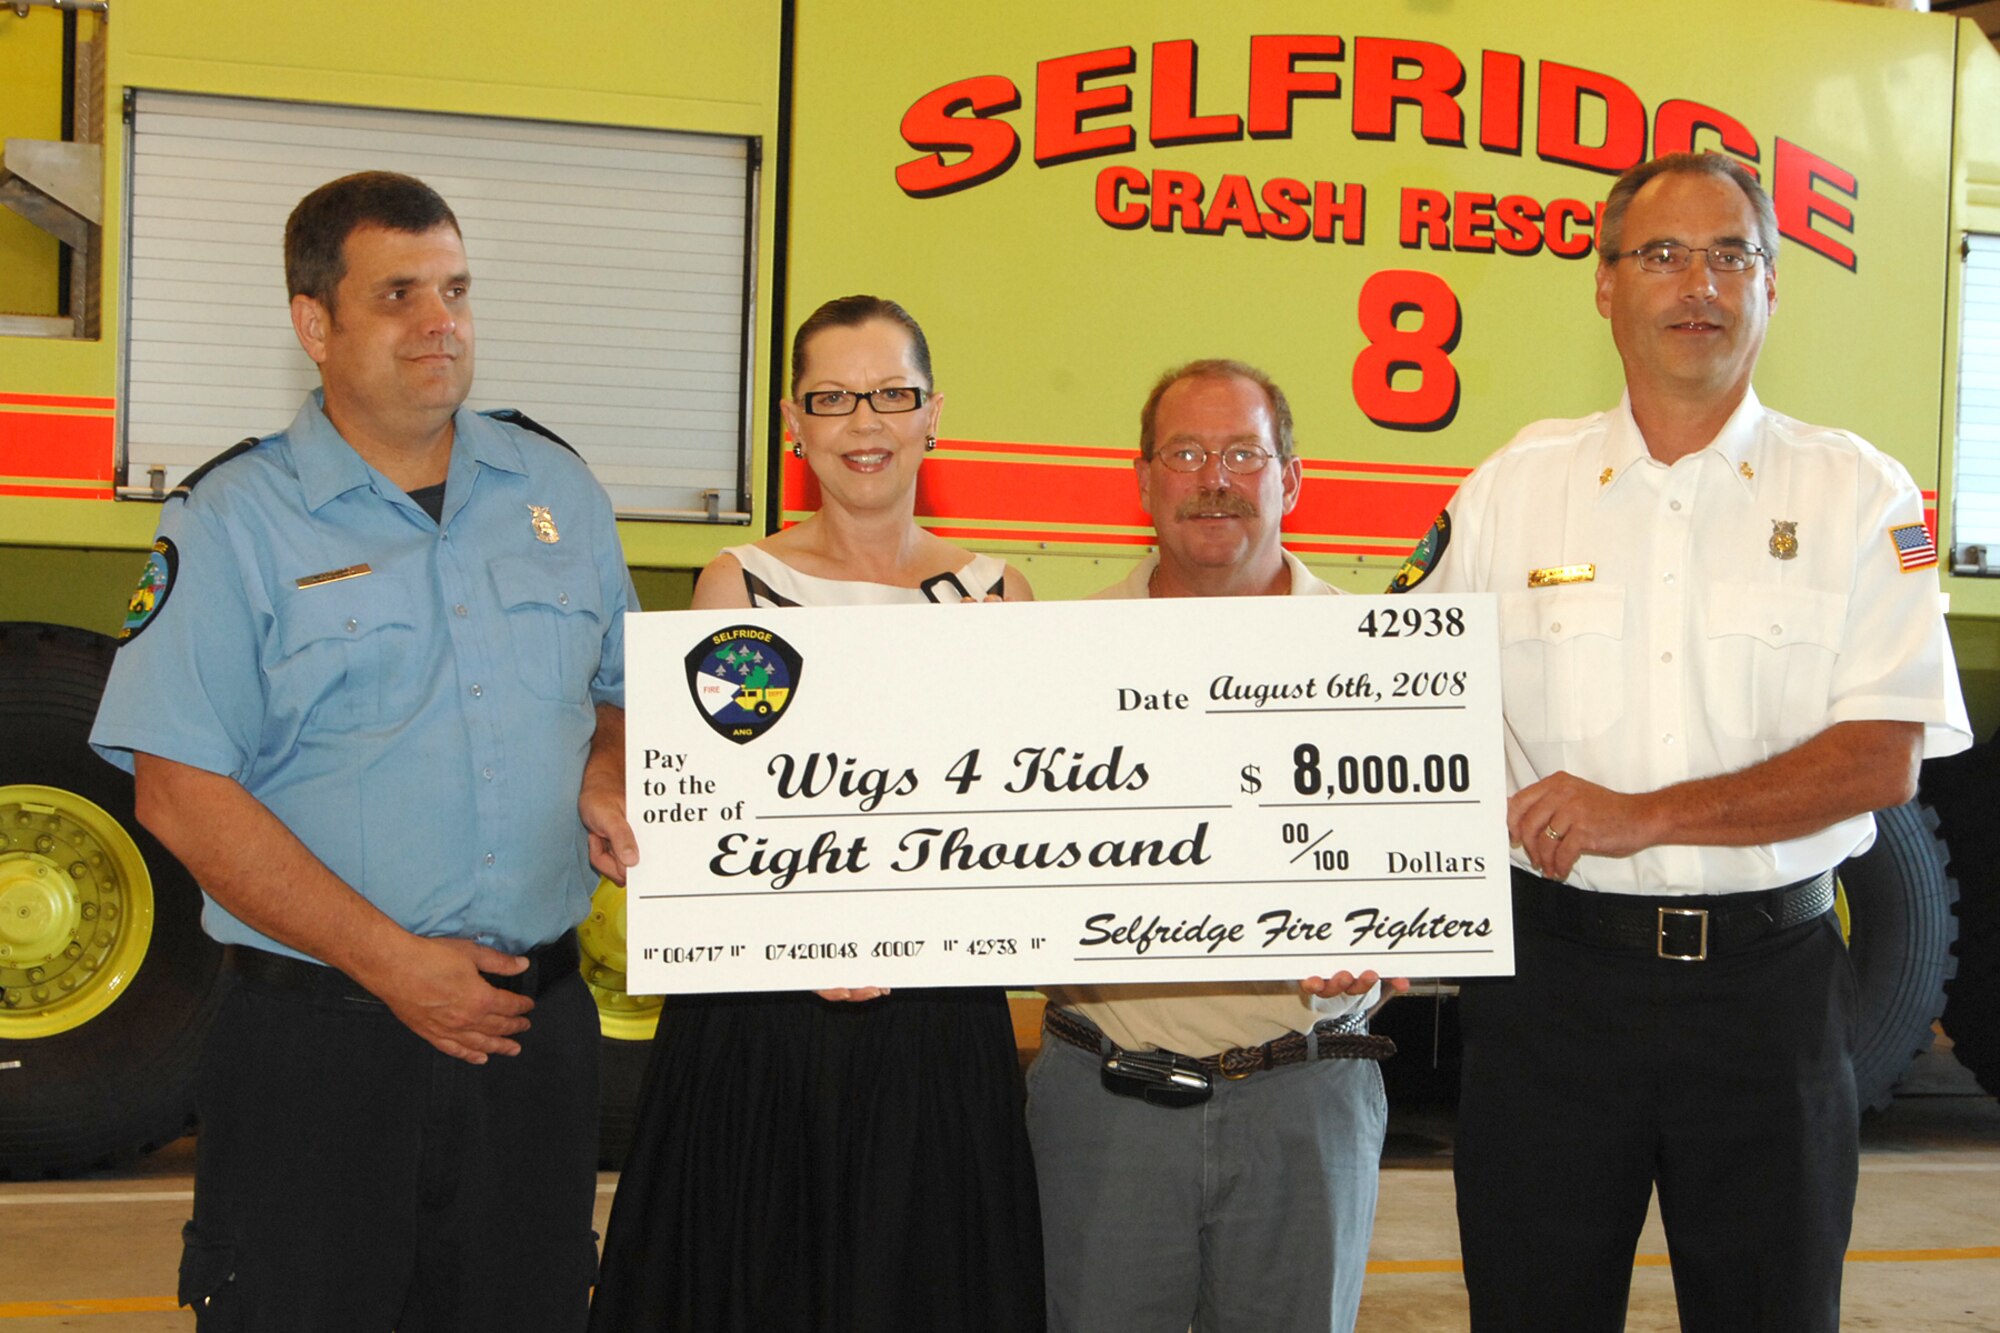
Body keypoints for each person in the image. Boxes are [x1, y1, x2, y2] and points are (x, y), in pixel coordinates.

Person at [1395, 152, 1972, 1330]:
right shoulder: (1512, 489)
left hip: (1767, 1003)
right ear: (1603, 286)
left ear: (1771, 288)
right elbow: (1398, 710)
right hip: (1552, 997)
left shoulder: (1859, 497)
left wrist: (1639, 812)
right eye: (1658, 254)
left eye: (1729, 256)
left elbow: (1880, 758)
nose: (1694, 284)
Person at [89, 171, 637, 1332]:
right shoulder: (233, 517)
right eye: (398, 293)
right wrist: (394, 963)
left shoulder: (556, 489)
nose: (441, 321)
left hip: (528, 1039)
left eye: (455, 288)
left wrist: (604, 755)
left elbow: (615, 692)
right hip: (319, 1048)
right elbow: (180, 791)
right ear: (314, 324)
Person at [588, 294, 1044, 1333]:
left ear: (934, 415)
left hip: (932, 1030)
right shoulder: (738, 582)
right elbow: (709, 817)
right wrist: (801, 943)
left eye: (890, 394)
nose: (863, 423)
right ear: (794, 427)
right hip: (763, 1029)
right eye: (832, 398)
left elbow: (1017, 836)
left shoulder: (998, 594)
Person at [1028, 359, 1404, 1333]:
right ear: (1143, 478)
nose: (1214, 478)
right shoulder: (1050, 658)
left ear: (1290, 478)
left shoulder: (1386, 657)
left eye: (1243, 453)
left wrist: (1410, 936)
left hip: (1306, 1100)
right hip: (1106, 1104)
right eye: (1186, 453)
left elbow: (1433, 864)